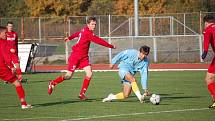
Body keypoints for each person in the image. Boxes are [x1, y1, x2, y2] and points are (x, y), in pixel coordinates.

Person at [48, 16, 116, 100]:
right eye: (92, 24)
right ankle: (53, 83)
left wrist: (69, 38)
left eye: (95, 24)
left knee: (89, 73)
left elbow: (77, 33)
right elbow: (99, 41)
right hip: (75, 56)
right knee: (68, 76)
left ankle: (82, 94)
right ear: (88, 24)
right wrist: (111, 46)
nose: (94, 26)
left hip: (84, 57)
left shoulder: (84, 30)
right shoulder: (88, 33)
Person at [0, 26, 32, 109]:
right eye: (4, 33)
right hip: (2, 68)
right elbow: (5, 57)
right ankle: (24, 104)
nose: (6, 34)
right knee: (17, 83)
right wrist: (11, 66)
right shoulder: (3, 43)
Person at [201, 15, 215, 108]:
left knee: (209, 79)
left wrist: (204, 52)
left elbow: (206, 41)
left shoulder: (208, 29)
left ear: (206, 23)